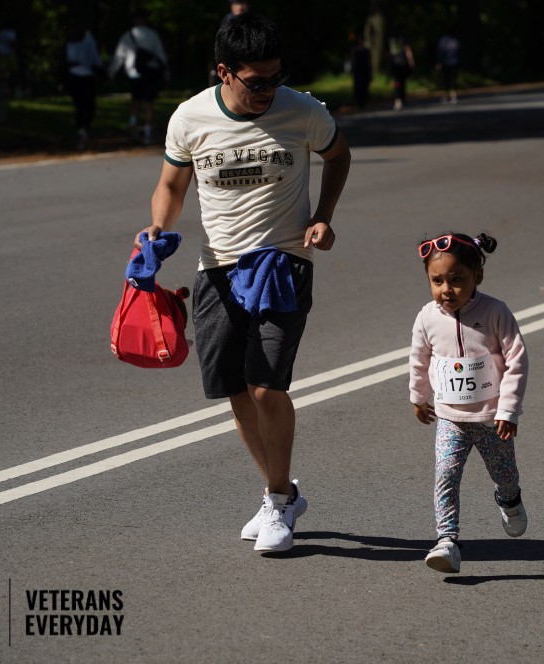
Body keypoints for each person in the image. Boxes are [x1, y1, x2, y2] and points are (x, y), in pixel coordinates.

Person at [136, 12, 351, 555]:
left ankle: (277, 502)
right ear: (224, 72)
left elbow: (338, 155)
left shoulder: (303, 111)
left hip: (283, 261)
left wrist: (323, 215)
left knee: (266, 386)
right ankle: (281, 491)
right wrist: (157, 228)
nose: (268, 90)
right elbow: (171, 184)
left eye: (276, 78)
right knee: (234, 389)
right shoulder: (190, 118)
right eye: (257, 82)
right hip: (217, 268)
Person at [409, 232, 529, 574]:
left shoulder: (495, 311)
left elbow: (517, 360)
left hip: (492, 419)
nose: (446, 289)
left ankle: (509, 498)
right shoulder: (427, 317)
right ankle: (447, 540)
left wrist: (508, 409)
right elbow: (419, 359)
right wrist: (418, 397)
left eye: (457, 280)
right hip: (450, 417)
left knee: (504, 474)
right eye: (437, 281)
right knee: (445, 475)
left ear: (478, 276)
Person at [109, 11, 168, 145]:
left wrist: (111, 73)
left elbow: (119, 56)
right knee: (149, 104)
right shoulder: (152, 35)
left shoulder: (127, 35)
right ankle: (147, 134)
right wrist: (166, 73)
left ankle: (133, 130)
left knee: (135, 102)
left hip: (133, 73)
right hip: (150, 73)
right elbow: (160, 54)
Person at [65, 20, 103, 151]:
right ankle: (83, 128)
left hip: (76, 75)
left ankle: (81, 129)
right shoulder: (87, 39)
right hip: (84, 76)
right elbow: (94, 57)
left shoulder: (73, 40)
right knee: (87, 105)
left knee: (81, 105)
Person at [388, 33, 414, 111]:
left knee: (397, 82)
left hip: (394, 64)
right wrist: (411, 62)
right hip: (402, 64)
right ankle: (401, 99)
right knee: (402, 82)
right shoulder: (403, 39)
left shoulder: (391, 40)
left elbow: (388, 53)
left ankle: (398, 99)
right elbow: (408, 51)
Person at [435, 30, 461, 104]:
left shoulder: (443, 41)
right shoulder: (455, 41)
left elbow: (440, 52)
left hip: (446, 63)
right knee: (453, 80)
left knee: (446, 80)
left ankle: (446, 96)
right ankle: (453, 96)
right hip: (454, 62)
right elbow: (459, 51)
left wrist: (439, 62)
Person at [351, 38, 373, 109]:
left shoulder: (366, 51)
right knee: (358, 87)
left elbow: (369, 62)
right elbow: (354, 61)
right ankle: (358, 102)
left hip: (365, 71)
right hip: (358, 72)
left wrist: (370, 72)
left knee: (364, 87)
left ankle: (364, 102)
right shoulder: (355, 51)